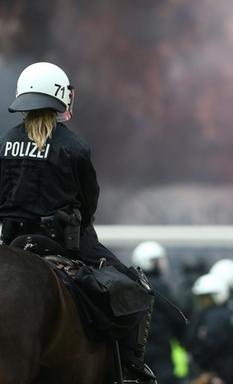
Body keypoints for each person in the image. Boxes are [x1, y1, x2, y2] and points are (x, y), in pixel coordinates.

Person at [0, 62, 155, 383]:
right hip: (64, 242)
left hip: (13, 240)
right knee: (136, 287)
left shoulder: (3, 143)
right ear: (61, 98)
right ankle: (131, 368)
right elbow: (88, 206)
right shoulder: (75, 147)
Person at [132, 240, 188, 384]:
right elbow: (177, 318)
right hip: (160, 354)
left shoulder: (131, 284)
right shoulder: (160, 288)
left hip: (134, 355)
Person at [186, 273, 233, 384]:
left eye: (206, 298)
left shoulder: (214, 317)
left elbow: (209, 347)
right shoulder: (232, 313)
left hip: (219, 374)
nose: (203, 302)